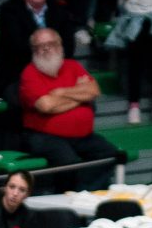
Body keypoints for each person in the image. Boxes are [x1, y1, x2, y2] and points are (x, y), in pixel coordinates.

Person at [15, 25, 111, 173]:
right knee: (67, 161)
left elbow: (94, 91)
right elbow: (46, 106)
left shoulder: (73, 66)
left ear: (60, 46)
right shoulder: (29, 74)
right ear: (34, 51)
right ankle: (70, 193)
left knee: (108, 153)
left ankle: (90, 193)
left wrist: (60, 92)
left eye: (51, 44)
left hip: (83, 136)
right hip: (45, 137)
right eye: (40, 46)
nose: (46, 49)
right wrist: (80, 97)